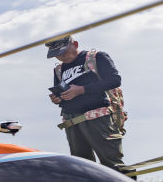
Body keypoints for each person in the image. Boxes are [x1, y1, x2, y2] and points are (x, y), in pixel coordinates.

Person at [46, 36, 125, 169]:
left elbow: (114, 80)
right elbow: (61, 95)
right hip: (72, 121)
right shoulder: (58, 70)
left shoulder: (96, 57)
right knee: (81, 167)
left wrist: (81, 90)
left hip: (98, 118)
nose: (61, 56)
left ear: (75, 44)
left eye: (63, 52)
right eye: (57, 54)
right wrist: (57, 99)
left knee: (113, 164)